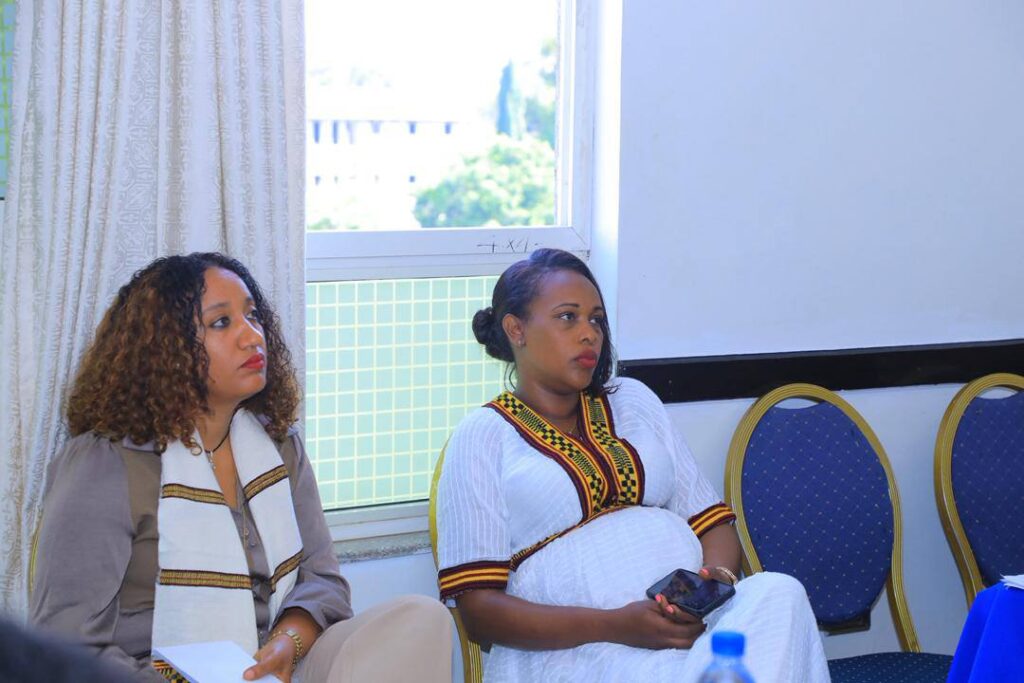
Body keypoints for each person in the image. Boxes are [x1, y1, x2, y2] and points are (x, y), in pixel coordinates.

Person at [31, 253, 452, 683]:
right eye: (221, 322)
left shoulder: (278, 445)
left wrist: (288, 642)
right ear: (165, 349)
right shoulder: (106, 463)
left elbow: (322, 580)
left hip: (276, 668)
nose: (252, 337)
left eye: (252, 316)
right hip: (156, 674)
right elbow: (67, 640)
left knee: (420, 618)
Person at [435, 248, 830, 682]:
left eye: (596, 320)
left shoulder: (633, 400)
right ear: (516, 330)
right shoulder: (482, 436)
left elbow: (712, 522)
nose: (589, 334)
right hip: (578, 650)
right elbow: (480, 612)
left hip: (696, 626)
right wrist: (616, 625)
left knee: (780, 592)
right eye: (568, 317)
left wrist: (709, 587)